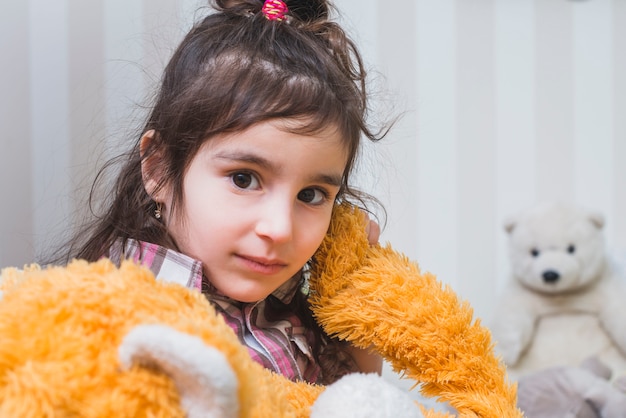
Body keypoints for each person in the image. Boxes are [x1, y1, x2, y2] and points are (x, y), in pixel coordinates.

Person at [56, 0, 389, 385]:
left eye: (311, 195)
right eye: (244, 179)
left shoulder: (290, 310)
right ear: (159, 170)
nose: (280, 229)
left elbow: (359, 401)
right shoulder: (116, 317)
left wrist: (359, 296)